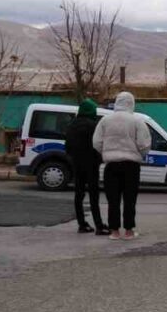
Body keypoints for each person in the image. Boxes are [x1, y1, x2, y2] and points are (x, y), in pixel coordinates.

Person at [93, 91, 151, 240]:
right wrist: (140, 153)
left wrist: (106, 151)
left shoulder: (105, 120)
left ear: (117, 102)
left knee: (113, 200)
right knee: (130, 199)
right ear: (131, 103)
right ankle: (129, 231)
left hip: (111, 165)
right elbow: (144, 144)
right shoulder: (137, 121)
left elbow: (96, 142)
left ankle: (114, 231)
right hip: (131, 165)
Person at [64, 98, 108, 235]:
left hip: (77, 163)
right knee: (94, 194)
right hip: (92, 164)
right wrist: (100, 159)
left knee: (79, 193)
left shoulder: (71, 125)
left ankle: (82, 224)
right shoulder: (94, 125)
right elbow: (99, 144)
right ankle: (99, 225)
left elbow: (67, 146)